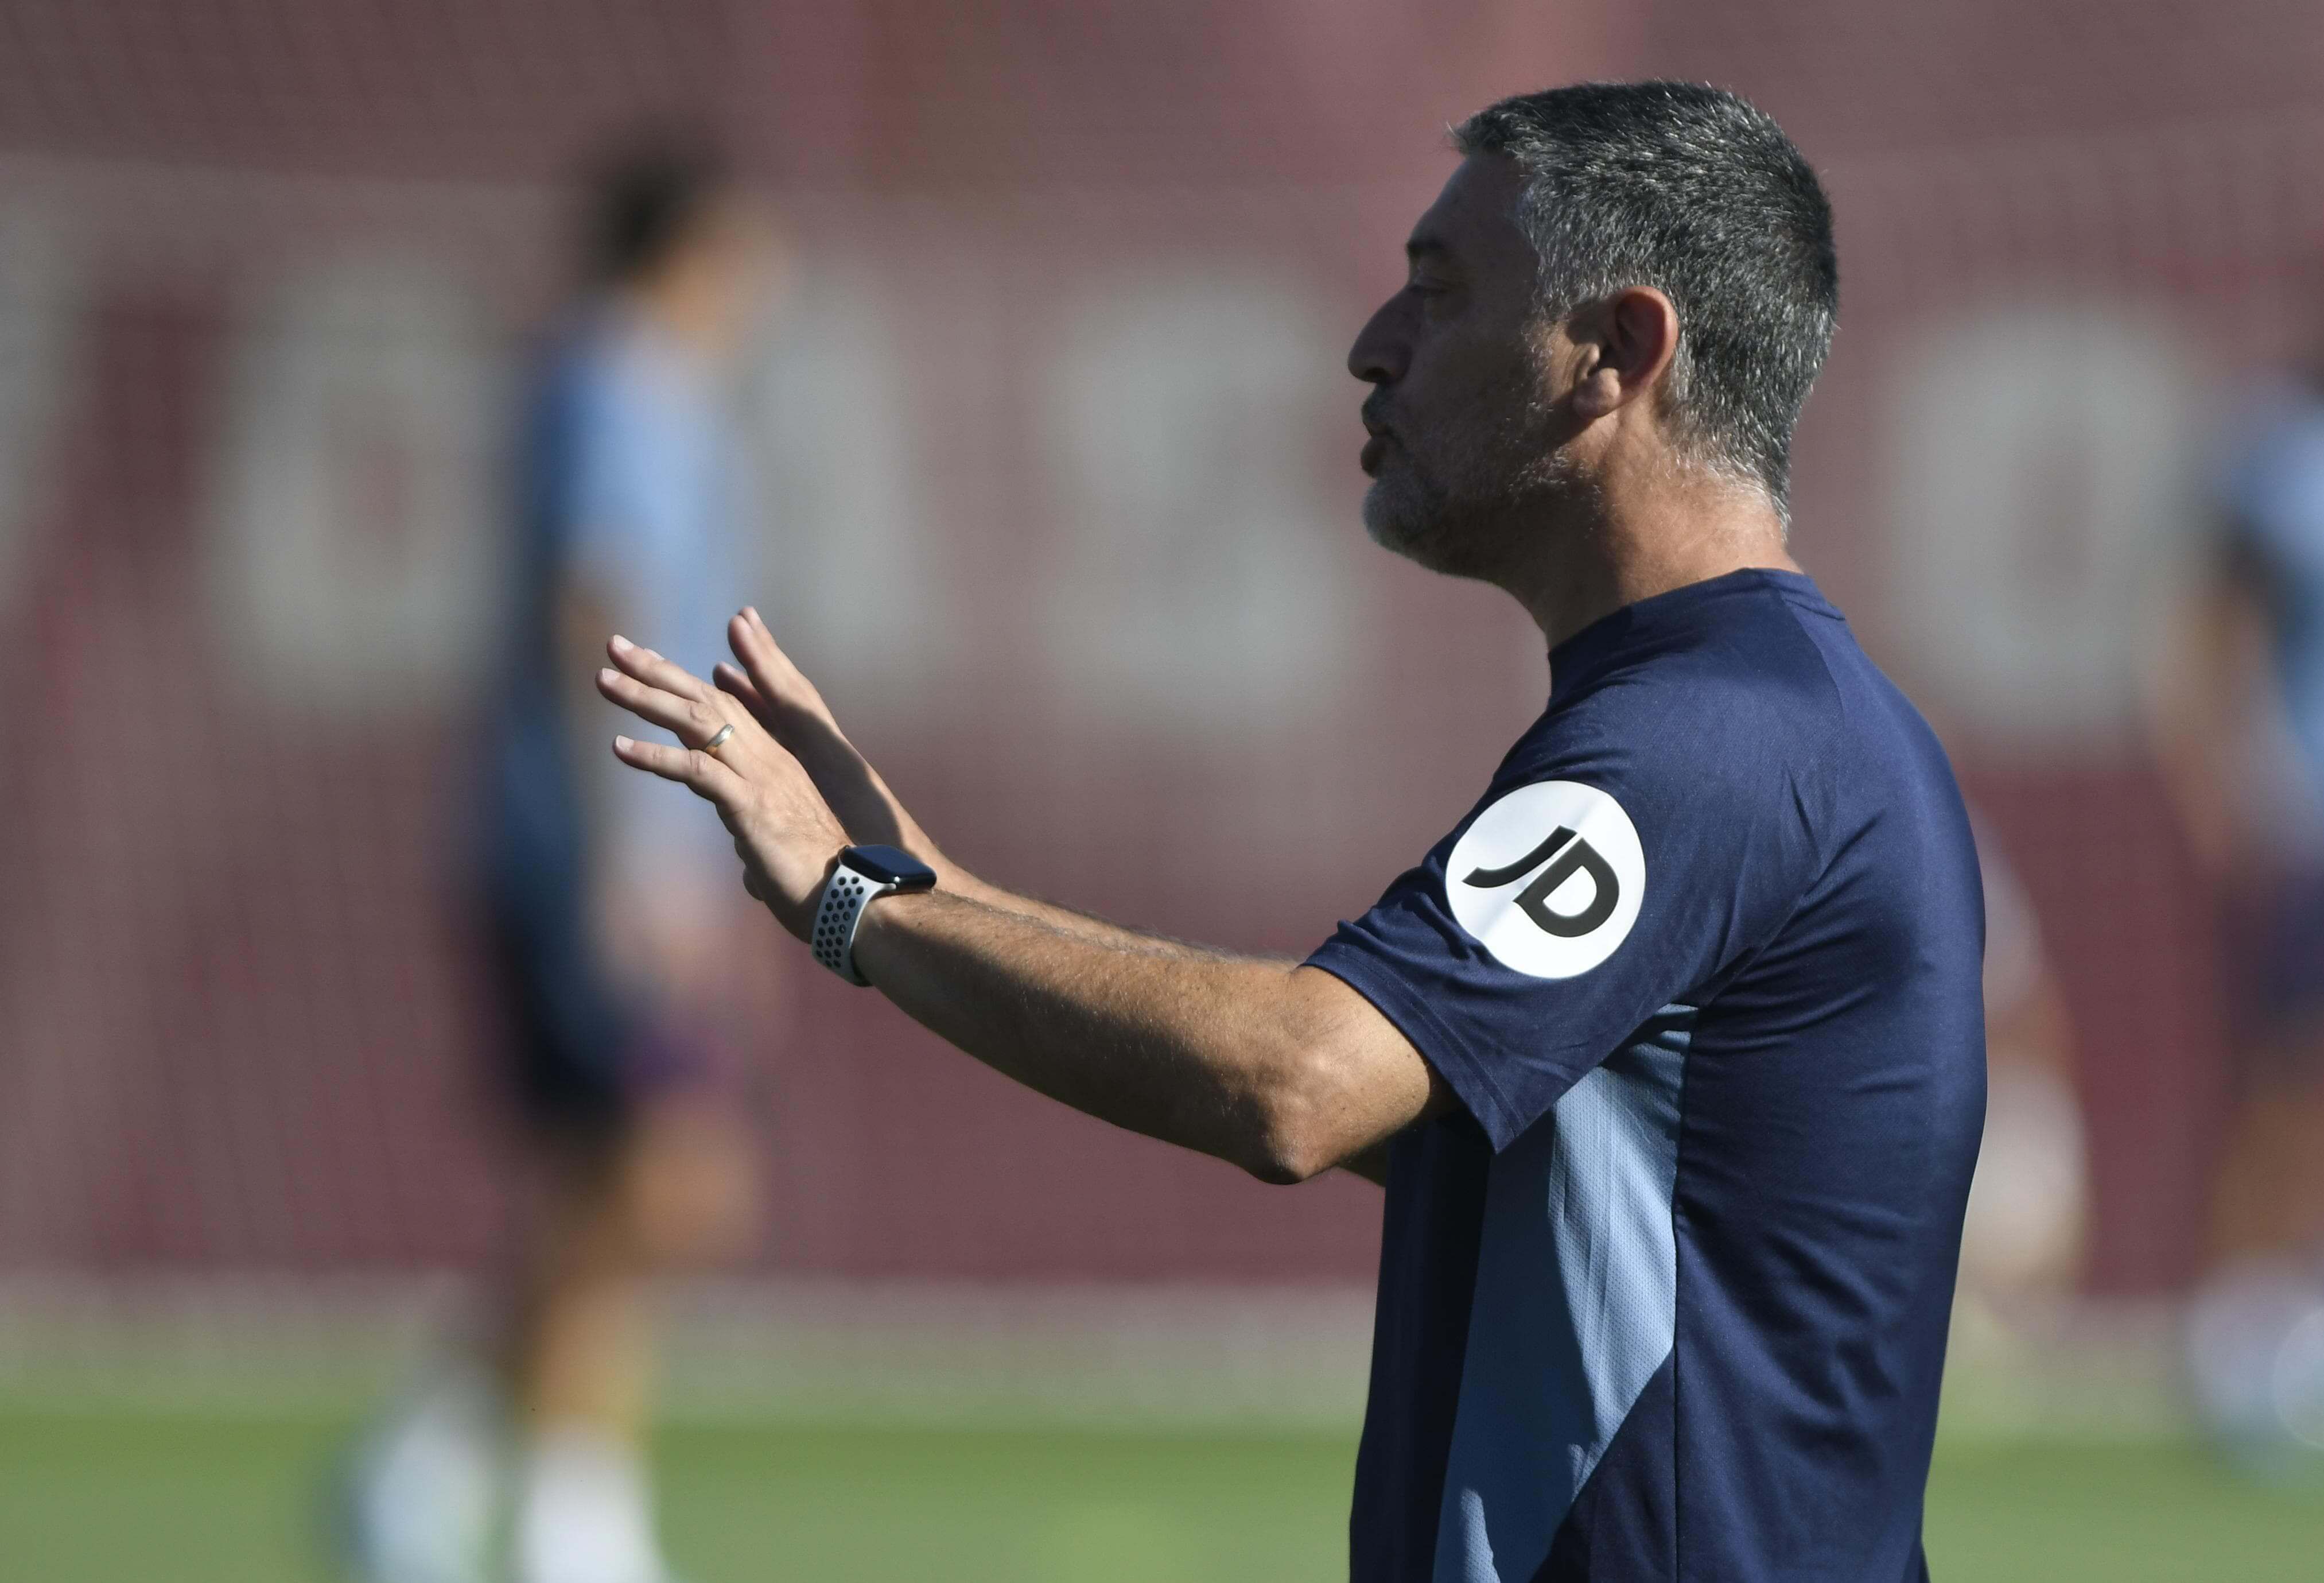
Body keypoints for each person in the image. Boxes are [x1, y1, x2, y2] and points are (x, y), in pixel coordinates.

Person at [590, 83, 1985, 1581]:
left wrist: (864, 912)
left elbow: (1301, 1078)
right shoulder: (1746, 715)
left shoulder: (1710, 736)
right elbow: (1506, 1147)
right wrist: (929, 885)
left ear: (1616, 352)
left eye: (1442, 292)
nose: (1373, 343)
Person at [345, 134, 775, 1583]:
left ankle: (428, 1465)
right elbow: (596, 604)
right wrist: (629, 860)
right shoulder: (614, 384)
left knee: (622, 1183)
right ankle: (568, 1522)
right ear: (694, 247)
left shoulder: (665, 399)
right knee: (663, 1173)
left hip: (629, 850)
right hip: (579, 851)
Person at [2155, 343, 2324, 1465]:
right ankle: (2238, 1339)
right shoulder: (2277, 457)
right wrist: (2219, 781)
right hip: (2307, 819)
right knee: (2291, 1077)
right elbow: (2207, 627)